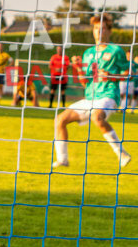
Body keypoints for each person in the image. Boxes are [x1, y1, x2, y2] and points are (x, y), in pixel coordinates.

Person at [52, 13, 132, 169]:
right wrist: (78, 67)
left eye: (102, 29)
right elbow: (86, 82)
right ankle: (63, 159)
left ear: (109, 31)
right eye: (96, 28)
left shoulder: (116, 51)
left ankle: (122, 153)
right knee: (60, 120)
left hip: (108, 96)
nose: (99, 32)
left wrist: (111, 75)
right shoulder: (88, 53)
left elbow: (127, 73)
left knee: (97, 116)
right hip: (91, 98)